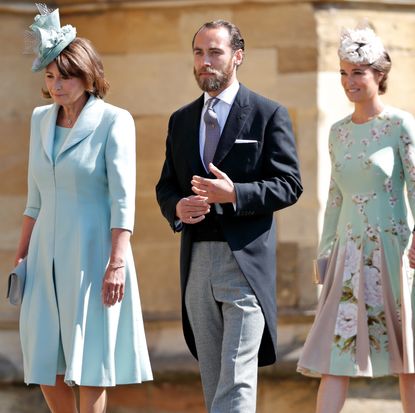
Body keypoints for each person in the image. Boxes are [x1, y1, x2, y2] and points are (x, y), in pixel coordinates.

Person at [156, 19, 302, 413]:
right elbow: (166, 186)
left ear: (237, 56)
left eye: (215, 52)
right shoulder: (180, 120)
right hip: (197, 264)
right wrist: (177, 209)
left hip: (244, 265)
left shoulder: (268, 113)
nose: (206, 62)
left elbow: (290, 184)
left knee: (237, 382)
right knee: (214, 380)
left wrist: (235, 193)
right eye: (199, 53)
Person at [14, 4, 152, 413]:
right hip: (42, 257)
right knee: (42, 360)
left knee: (90, 361)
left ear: (87, 76)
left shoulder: (115, 120)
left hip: (93, 255)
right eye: (51, 77)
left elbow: (123, 199)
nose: (57, 86)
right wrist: (20, 257)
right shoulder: (40, 120)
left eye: (66, 77)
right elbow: (33, 200)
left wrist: (117, 263)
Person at [297, 25, 415, 413]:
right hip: (348, 257)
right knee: (336, 354)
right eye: (344, 73)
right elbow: (334, 197)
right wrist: (325, 253)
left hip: (397, 254)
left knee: (409, 359)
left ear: (379, 75)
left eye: (358, 73)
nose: (349, 81)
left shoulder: (401, 125)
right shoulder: (337, 132)